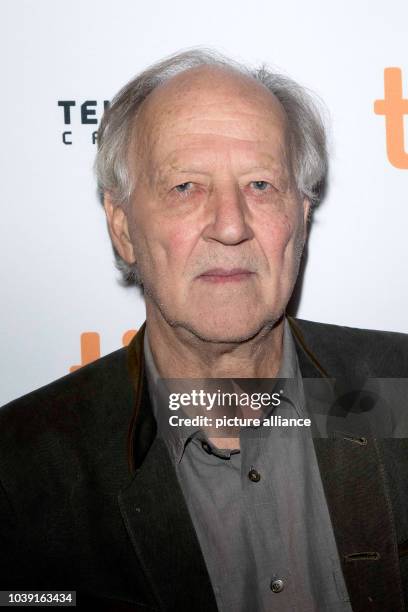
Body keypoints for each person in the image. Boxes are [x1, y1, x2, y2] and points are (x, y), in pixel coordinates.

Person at [0, 49, 407, 612]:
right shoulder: (23, 472)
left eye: (261, 185)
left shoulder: (399, 388)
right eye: (185, 187)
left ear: (302, 218)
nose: (232, 225)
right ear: (122, 228)